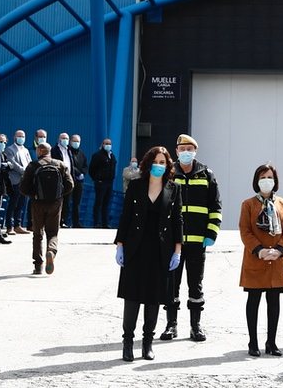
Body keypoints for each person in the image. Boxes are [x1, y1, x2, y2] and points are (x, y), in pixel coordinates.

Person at [114, 146, 182, 362]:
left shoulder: (174, 188)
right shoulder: (135, 186)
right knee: (132, 297)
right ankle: (127, 343)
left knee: (153, 299)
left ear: (168, 165)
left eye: (163, 162)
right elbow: (125, 216)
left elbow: (178, 220)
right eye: (156, 161)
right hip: (136, 248)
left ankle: (147, 343)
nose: (159, 165)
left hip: (161, 250)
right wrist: (120, 245)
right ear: (148, 163)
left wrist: (177, 250)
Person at [161, 134, 222, 342]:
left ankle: (196, 326)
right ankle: (171, 325)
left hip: (197, 241)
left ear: (195, 151)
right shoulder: (169, 174)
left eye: (190, 149)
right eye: (182, 149)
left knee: (195, 285)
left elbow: (215, 206)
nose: (186, 152)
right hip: (172, 243)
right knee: (171, 284)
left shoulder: (206, 174)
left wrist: (211, 232)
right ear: (176, 152)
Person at [239, 164, 283, 357]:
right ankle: (252, 342)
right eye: (263, 176)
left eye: (270, 176)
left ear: (275, 180)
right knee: (253, 300)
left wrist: (279, 250)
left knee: (274, 302)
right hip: (256, 258)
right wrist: (259, 250)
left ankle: (271, 342)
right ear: (257, 180)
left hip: (277, 260)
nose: (266, 180)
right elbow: (245, 231)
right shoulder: (248, 204)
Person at [20, 142, 74, 275]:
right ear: (50, 152)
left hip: (38, 203)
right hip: (55, 203)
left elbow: (23, 188)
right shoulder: (60, 165)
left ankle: (38, 265)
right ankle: (51, 251)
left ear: (39, 152)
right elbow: (70, 184)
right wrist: (59, 195)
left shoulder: (33, 166)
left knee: (37, 234)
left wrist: (34, 194)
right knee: (52, 232)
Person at [4, 130, 32, 236]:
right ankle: (9, 226)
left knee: (21, 204)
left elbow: (29, 162)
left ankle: (17, 225)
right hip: (15, 180)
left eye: (23, 136)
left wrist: (29, 171)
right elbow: (12, 163)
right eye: (19, 136)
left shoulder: (25, 150)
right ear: (14, 137)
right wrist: (24, 170)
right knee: (13, 204)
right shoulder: (10, 149)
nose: (21, 138)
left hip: (24, 181)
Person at [89, 138, 117, 228]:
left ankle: (105, 223)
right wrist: (97, 178)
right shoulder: (97, 155)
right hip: (101, 182)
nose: (108, 145)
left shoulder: (112, 156)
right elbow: (91, 169)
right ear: (103, 144)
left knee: (106, 203)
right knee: (98, 202)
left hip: (109, 182)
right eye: (106, 143)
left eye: (109, 143)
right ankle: (96, 222)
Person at [50, 133, 75, 226]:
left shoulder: (69, 150)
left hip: (67, 178)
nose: (65, 140)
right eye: (63, 138)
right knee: (57, 200)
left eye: (67, 138)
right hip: (58, 178)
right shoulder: (54, 150)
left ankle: (63, 220)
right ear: (59, 139)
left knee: (67, 201)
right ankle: (56, 220)